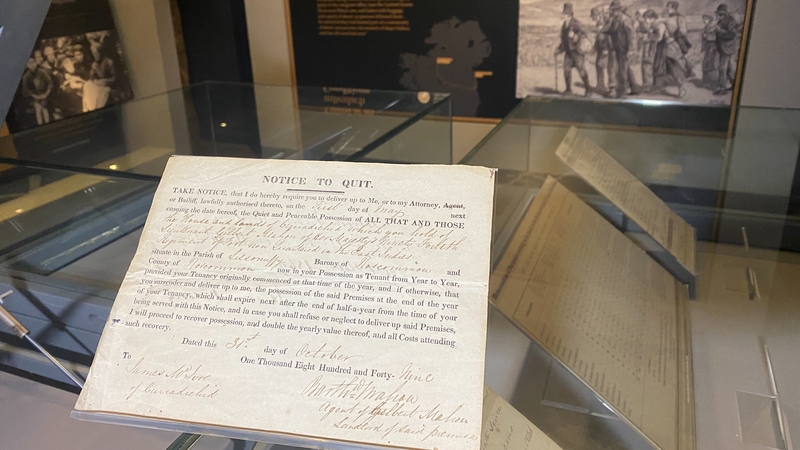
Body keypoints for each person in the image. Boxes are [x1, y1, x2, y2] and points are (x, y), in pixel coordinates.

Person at [603, 0, 640, 98]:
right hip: (616, 47)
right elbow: (609, 29)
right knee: (624, 67)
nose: (613, 12)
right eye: (612, 10)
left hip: (624, 48)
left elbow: (631, 35)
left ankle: (623, 92)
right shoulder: (613, 19)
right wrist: (601, 29)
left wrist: (631, 50)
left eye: (615, 10)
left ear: (619, 10)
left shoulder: (625, 20)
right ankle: (634, 87)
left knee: (622, 69)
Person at [554, 3, 592, 96]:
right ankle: (568, 90)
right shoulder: (564, 25)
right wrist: (559, 50)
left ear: (569, 15)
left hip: (577, 52)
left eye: (564, 14)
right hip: (568, 52)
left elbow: (585, 34)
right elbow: (564, 40)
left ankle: (588, 90)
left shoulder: (576, 23)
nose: (562, 16)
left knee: (581, 70)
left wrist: (575, 36)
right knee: (566, 69)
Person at [650, 8, 687, 98]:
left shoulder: (660, 25)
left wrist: (650, 37)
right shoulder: (656, 24)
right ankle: (658, 87)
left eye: (647, 19)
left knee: (673, 67)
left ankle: (681, 89)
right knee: (658, 66)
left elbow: (659, 38)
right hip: (662, 48)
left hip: (668, 48)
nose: (646, 21)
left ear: (652, 18)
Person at [714, 3, 740, 94]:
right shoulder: (720, 22)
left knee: (722, 67)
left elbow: (731, 34)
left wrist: (719, 31)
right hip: (722, 47)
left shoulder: (730, 22)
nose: (717, 16)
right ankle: (734, 84)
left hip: (727, 48)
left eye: (719, 14)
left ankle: (722, 88)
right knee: (728, 67)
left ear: (724, 14)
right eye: (717, 14)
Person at [664, 1, 693, 77]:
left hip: (677, 39)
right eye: (668, 6)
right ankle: (675, 74)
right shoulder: (668, 17)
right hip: (669, 39)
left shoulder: (680, 17)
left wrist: (674, 37)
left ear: (674, 8)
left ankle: (686, 72)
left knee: (677, 57)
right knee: (670, 56)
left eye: (669, 7)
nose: (667, 8)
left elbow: (683, 30)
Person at [21, 56, 53, 125]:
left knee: (45, 109)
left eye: (33, 62)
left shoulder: (42, 72)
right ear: (27, 66)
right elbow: (26, 90)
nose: (31, 65)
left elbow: (50, 83)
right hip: (34, 97)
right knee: (38, 109)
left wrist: (46, 94)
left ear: (36, 63)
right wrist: (35, 96)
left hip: (45, 94)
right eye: (29, 63)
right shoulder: (26, 77)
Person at [591, 7, 615, 94]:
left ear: (597, 15)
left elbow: (606, 37)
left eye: (593, 16)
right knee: (598, 66)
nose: (592, 18)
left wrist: (605, 49)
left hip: (607, 49)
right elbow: (598, 38)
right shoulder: (599, 23)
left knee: (610, 68)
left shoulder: (603, 23)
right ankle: (600, 85)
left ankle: (612, 88)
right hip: (600, 49)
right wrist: (594, 48)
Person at [701, 14, 719, 84]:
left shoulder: (713, 26)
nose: (704, 21)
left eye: (706, 19)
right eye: (704, 19)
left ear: (710, 19)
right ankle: (707, 79)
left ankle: (713, 79)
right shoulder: (706, 27)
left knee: (713, 62)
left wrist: (706, 36)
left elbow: (715, 36)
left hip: (713, 45)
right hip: (708, 45)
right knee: (706, 61)